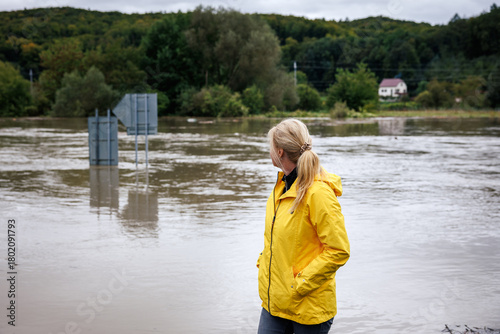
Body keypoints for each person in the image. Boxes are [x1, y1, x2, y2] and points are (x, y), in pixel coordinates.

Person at [256, 119, 350, 334]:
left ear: (280, 152)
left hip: (308, 309)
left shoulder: (319, 193)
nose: (268, 151)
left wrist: (298, 284)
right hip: (274, 304)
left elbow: (338, 250)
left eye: (270, 147)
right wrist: (264, 261)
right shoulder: (281, 186)